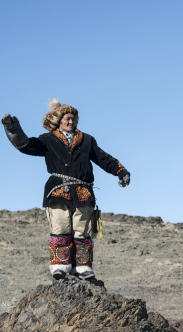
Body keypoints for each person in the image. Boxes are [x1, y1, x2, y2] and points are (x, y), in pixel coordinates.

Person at [2, 98, 130, 280]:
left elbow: (103, 158)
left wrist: (121, 171)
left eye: (73, 118)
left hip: (83, 193)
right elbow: (26, 145)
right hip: (57, 192)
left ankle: (83, 267)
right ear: (59, 119)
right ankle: (60, 266)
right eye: (67, 118)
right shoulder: (48, 139)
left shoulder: (87, 140)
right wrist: (14, 130)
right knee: (60, 227)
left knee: (82, 230)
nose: (71, 122)